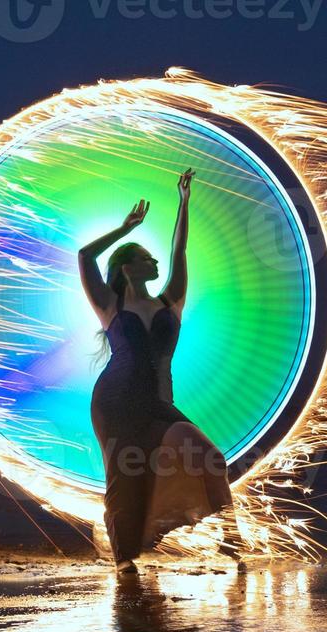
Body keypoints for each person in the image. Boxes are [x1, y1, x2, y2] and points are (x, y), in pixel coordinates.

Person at [80, 169, 234, 575]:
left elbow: (179, 251)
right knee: (124, 479)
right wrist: (124, 228)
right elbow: (85, 257)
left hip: (159, 402)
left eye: (153, 259)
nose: (155, 262)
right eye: (146, 258)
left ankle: (232, 542)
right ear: (127, 267)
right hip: (115, 402)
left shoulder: (170, 303)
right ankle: (124, 563)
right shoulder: (109, 307)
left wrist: (184, 204)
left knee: (210, 458)